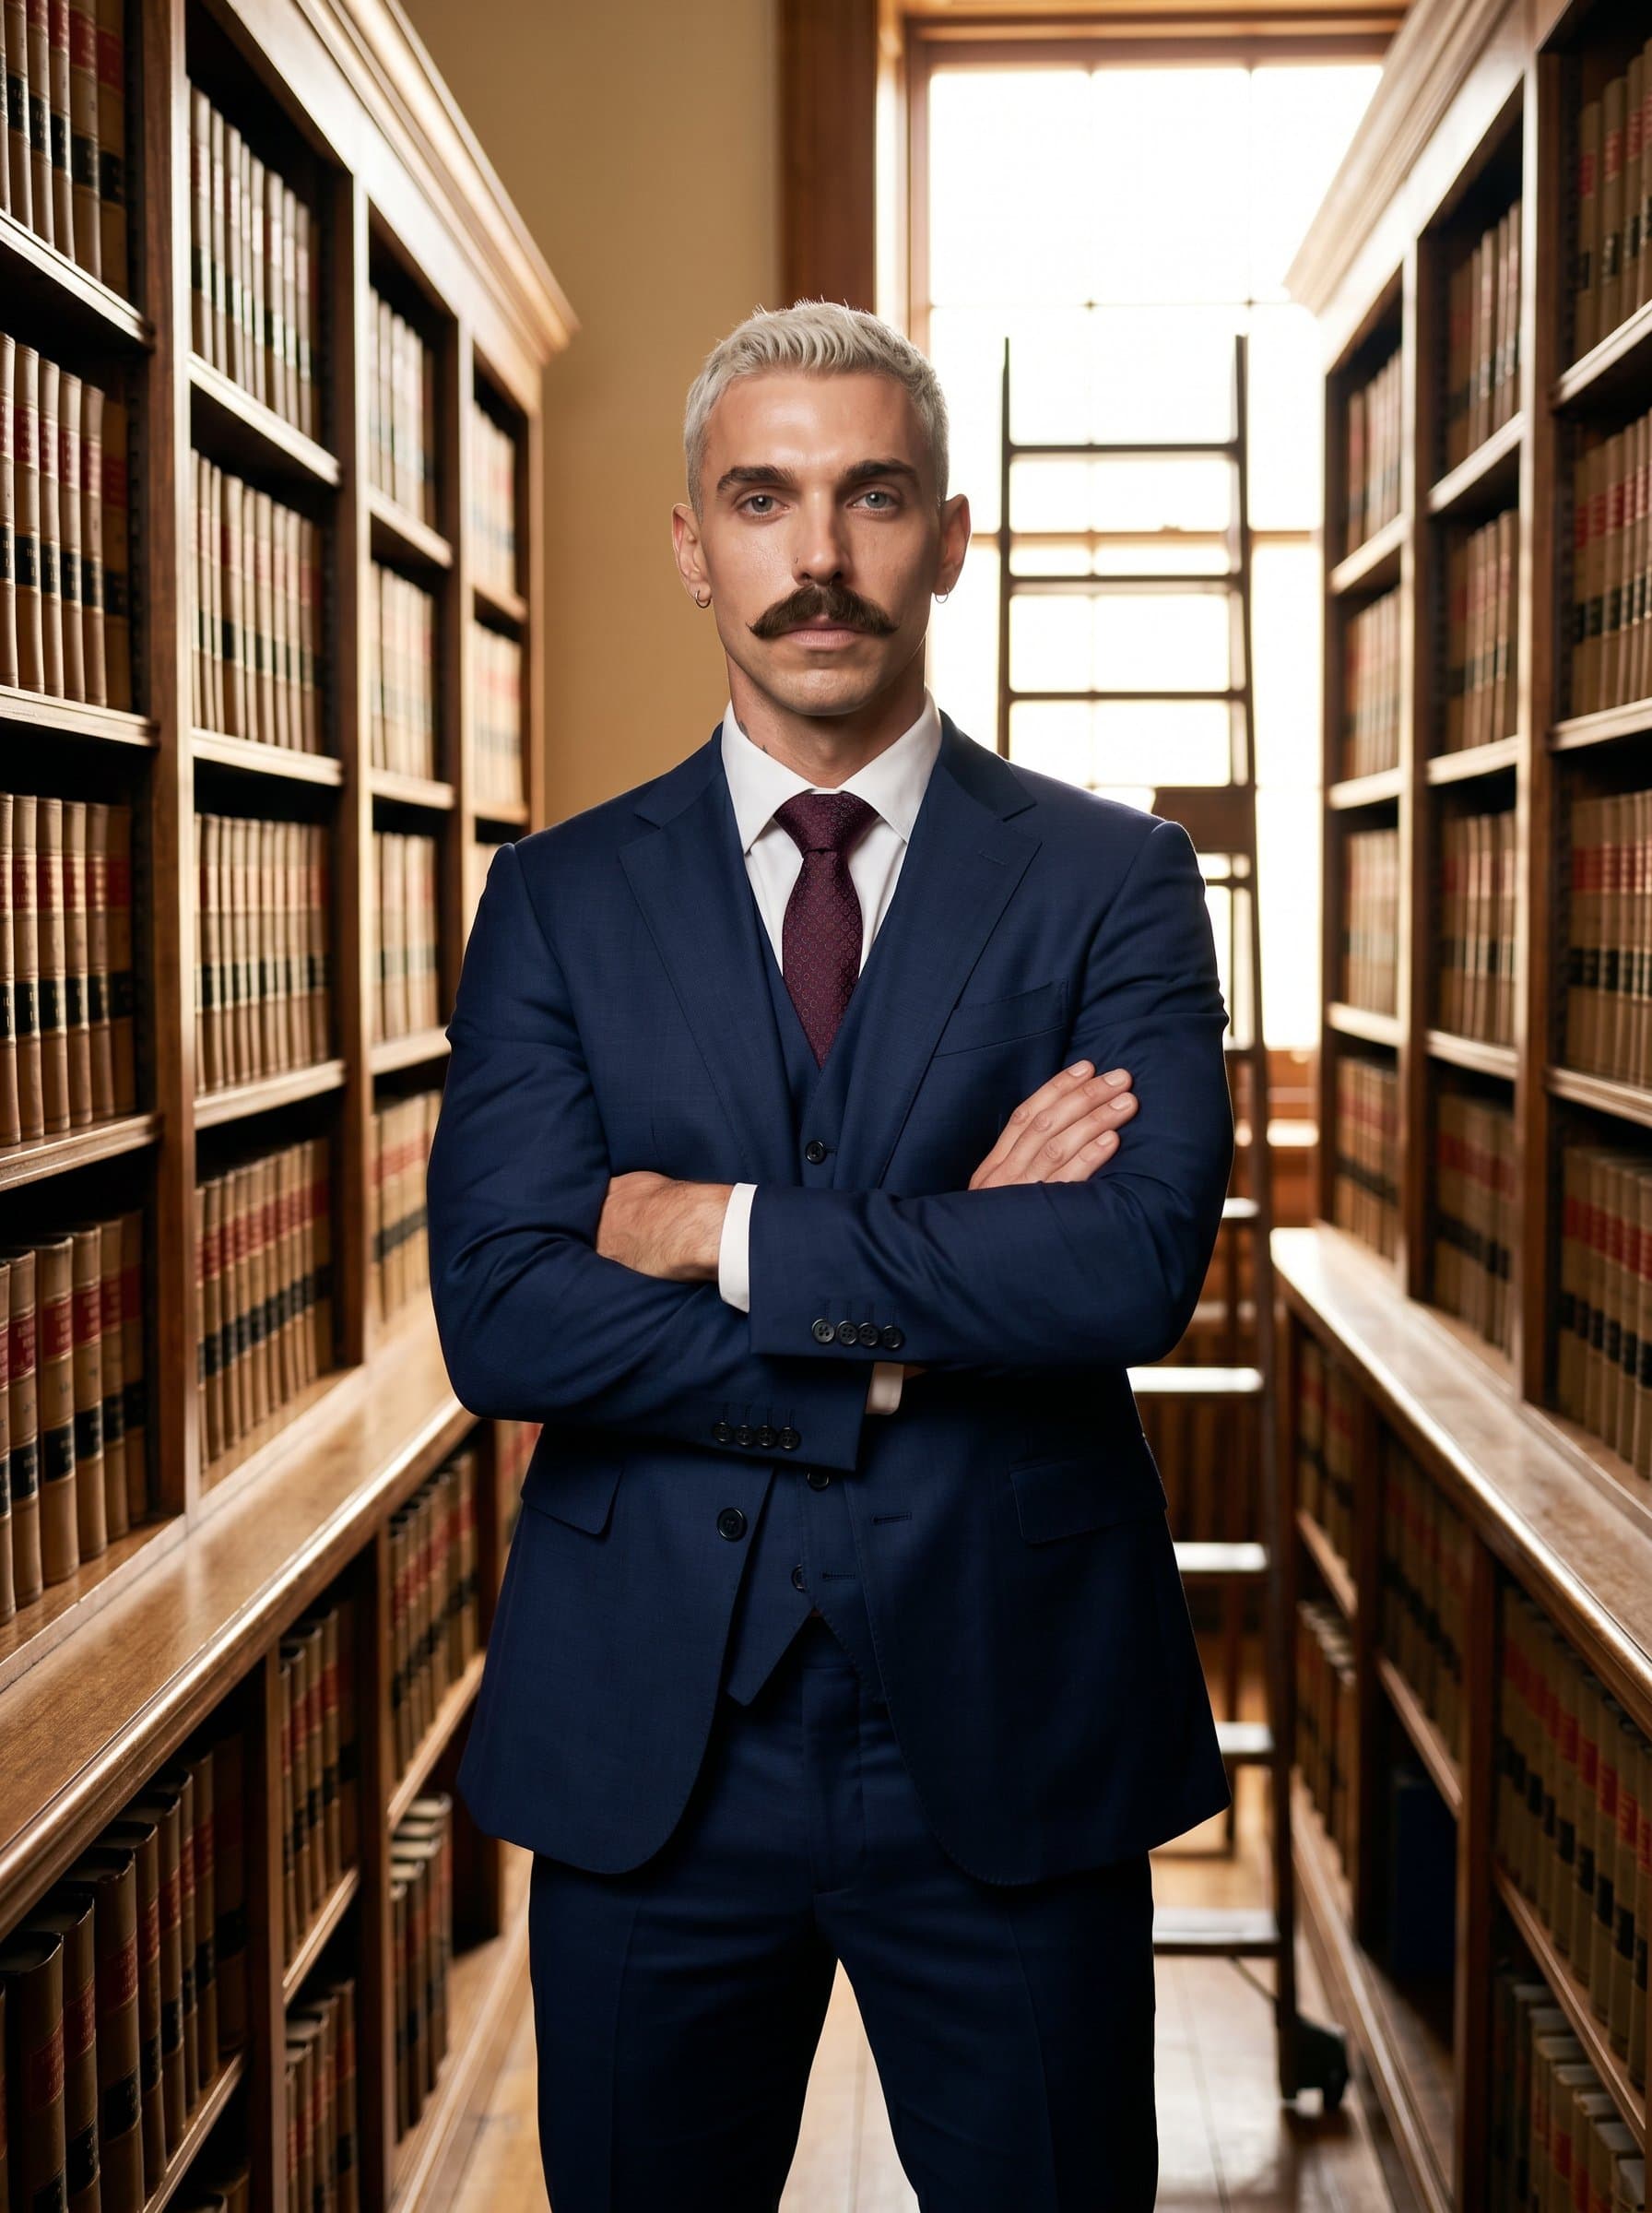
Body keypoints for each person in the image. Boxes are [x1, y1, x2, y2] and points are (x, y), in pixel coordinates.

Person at [425, 298, 1236, 2212]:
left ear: (945, 532)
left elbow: (1118, 1272)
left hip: (1014, 1710)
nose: (816, 559)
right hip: (650, 1745)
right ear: (690, 543)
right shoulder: (551, 899)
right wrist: (910, 1317)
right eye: (762, 500)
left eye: (870, 498)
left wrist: (712, 1233)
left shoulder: (1111, 880)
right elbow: (505, 1314)